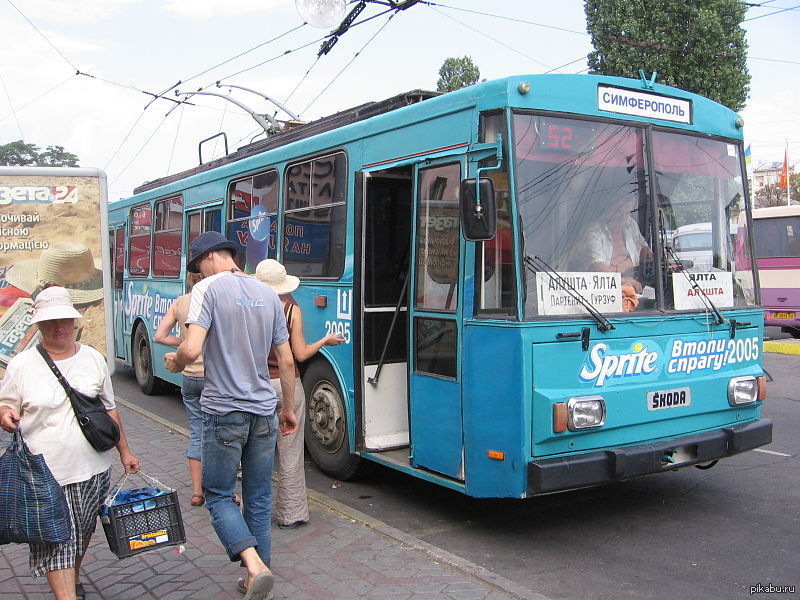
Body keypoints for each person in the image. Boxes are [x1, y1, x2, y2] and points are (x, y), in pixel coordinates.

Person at [164, 232, 296, 600]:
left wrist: (175, 361)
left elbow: (190, 349)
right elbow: (286, 360)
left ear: (206, 259)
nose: (199, 273)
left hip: (224, 411)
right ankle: (257, 578)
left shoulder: (208, 290)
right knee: (257, 498)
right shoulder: (268, 293)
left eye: (197, 267)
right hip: (264, 411)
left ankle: (255, 567)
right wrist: (287, 408)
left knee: (218, 495)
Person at [0, 286, 139, 600]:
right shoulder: (22, 364)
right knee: (57, 538)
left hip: (93, 468)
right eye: (49, 321)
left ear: (74, 321)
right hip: (42, 473)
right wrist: (6, 414)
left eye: (63, 319)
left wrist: (125, 451)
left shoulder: (93, 359)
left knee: (82, 531)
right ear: (37, 324)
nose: (57, 326)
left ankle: (72, 576)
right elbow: (5, 404)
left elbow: (109, 408)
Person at [255, 259, 344, 530]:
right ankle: (290, 514)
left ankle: (253, 514)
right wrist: (326, 340)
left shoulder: (247, 310)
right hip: (286, 386)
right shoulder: (291, 310)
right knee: (290, 452)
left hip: (256, 387)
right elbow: (300, 355)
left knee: (256, 453)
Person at [155, 273, 205, 508]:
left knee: (197, 431)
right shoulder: (211, 301)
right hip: (213, 377)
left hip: (189, 376)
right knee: (216, 433)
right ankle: (217, 488)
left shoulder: (180, 302)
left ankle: (197, 491)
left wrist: (184, 344)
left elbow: (160, 336)